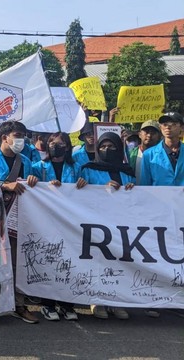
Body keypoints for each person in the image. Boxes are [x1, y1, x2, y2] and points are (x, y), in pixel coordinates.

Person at [0, 120, 39, 325]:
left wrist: (33, 182)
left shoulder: (26, 161)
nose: (22, 139)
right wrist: (4, 185)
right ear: (5, 137)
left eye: (23, 135)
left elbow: (35, 189)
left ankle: (18, 304)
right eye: (18, 135)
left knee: (18, 261)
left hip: (20, 218)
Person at [77, 132, 134, 320]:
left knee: (119, 262)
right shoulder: (88, 169)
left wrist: (131, 189)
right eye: (102, 147)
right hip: (97, 223)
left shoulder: (128, 171)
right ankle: (97, 300)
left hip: (121, 223)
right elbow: (82, 194)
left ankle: (116, 301)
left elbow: (137, 197)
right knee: (98, 261)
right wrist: (100, 189)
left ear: (119, 149)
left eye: (112, 146)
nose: (106, 150)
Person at [30, 132, 81, 321]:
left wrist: (82, 184)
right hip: (46, 221)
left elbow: (85, 190)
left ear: (67, 147)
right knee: (48, 260)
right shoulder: (37, 167)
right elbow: (31, 189)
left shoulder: (76, 168)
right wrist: (38, 184)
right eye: (52, 142)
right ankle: (47, 303)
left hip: (70, 222)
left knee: (70, 262)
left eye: (60, 143)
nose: (55, 146)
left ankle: (67, 304)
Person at [140, 112, 184, 186]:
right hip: (159, 197)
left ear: (182, 127)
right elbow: (145, 185)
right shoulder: (148, 154)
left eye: (173, 124)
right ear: (160, 127)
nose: (168, 127)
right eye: (164, 124)